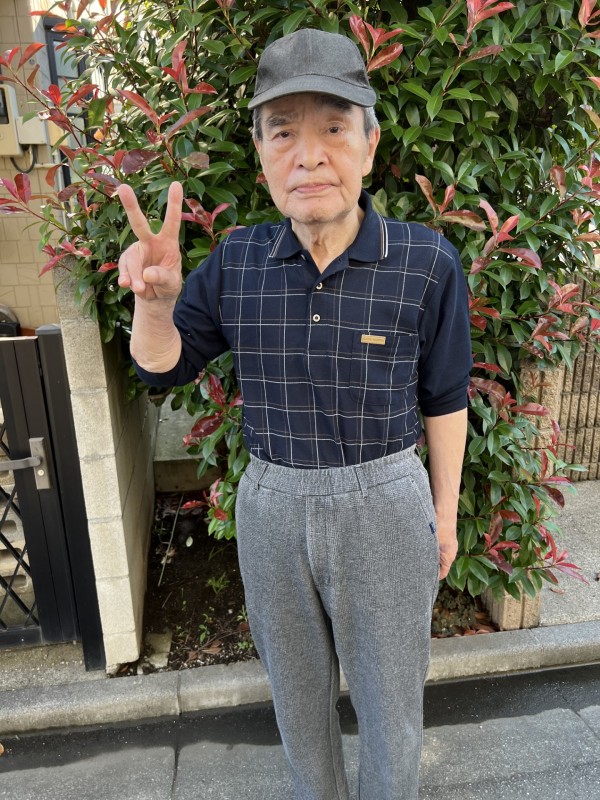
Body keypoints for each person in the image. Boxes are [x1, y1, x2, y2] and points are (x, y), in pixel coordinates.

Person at [117, 27, 471, 800]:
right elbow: (162, 366)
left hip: (385, 500)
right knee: (298, 706)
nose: (309, 156)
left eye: (334, 129)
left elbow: (446, 399)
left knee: (391, 708)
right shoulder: (237, 261)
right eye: (283, 133)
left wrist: (443, 517)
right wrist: (156, 304)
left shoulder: (426, 262)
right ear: (261, 154)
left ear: (370, 143)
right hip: (272, 505)